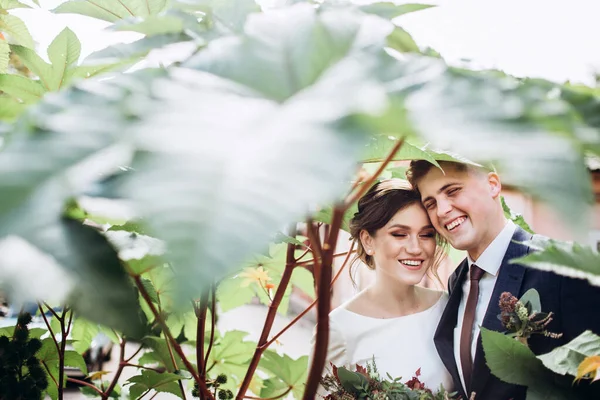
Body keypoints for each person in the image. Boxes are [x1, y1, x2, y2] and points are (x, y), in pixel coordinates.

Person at [407, 160, 600, 400]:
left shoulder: (565, 268)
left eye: (452, 191)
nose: (442, 210)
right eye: (431, 203)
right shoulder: (456, 280)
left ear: (492, 185)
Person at [315, 179, 453, 393]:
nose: (416, 248)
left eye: (426, 235)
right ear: (368, 240)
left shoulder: (448, 307)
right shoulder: (337, 330)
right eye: (399, 234)